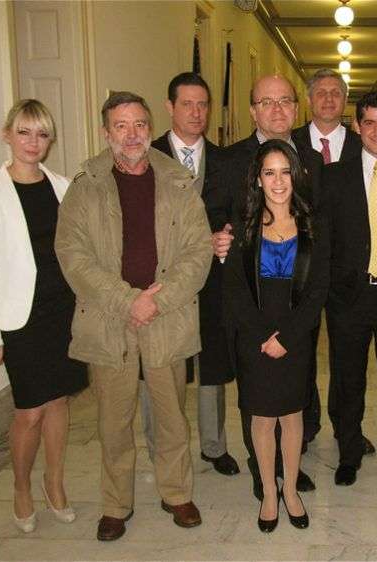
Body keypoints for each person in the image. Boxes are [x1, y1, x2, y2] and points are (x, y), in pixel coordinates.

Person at [55, 91, 212, 541]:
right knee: (113, 420)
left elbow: (198, 252)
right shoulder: (86, 186)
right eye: (121, 126)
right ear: (106, 133)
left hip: (166, 316)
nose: (131, 134)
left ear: (151, 128)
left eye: (139, 124)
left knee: (171, 416)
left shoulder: (178, 180)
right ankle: (115, 504)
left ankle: (177, 493)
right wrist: (128, 301)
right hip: (110, 319)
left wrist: (157, 301)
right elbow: (72, 254)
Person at [0, 99, 88, 534]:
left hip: (62, 311)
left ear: (49, 140)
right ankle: (21, 488)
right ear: (7, 135)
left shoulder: (62, 185)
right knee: (29, 411)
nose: (33, 142)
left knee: (58, 401)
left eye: (41, 134)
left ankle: (54, 484)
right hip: (20, 318)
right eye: (24, 132)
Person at [208, 74, 323, 500]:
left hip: (297, 298)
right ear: (253, 109)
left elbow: (321, 226)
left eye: (285, 101)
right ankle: (263, 476)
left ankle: (292, 469)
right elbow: (215, 213)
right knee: (256, 398)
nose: (276, 110)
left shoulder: (314, 156)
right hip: (250, 300)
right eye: (266, 102)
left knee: (297, 391)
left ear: (297, 107)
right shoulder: (230, 159)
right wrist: (215, 236)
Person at [223, 140, 329, 532]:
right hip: (254, 336)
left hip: (296, 336)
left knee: (292, 413)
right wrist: (262, 335)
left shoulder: (314, 224)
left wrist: (288, 336)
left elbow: (318, 288)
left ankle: (291, 491)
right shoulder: (244, 223)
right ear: (258, 178)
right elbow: (233, 288)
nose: (278, 181)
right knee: (263, 418)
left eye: (285, 171)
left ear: (296, 175)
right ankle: (269, 490)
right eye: (270, 172)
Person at [147, 71, 239, 476]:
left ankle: (214, 445)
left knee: (211, 363)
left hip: (213, 282)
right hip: (161, 281)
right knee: (160, 364)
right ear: (170, 107)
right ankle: (160, 445)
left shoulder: (226, 160)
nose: (197, 112)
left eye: (203, 104)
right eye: (187, 104)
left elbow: (237, 213)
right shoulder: (146, 158)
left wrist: (227, 235)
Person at [325, 90, 377, 487]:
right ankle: (348, 451)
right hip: (349, 296)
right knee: (348, 380)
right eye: (370, 122)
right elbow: (323, 240)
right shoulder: (333, 176)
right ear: (356, 126)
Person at [291, 68, 371, 454]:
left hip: (348, 271)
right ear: (309, 100)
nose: (327, 99)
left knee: (346, 357)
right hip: (300, 267)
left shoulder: (364, 146)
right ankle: (304, 426)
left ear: (345, 100)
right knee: (301, 351)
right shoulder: (288, 145)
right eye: (320, 93)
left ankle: (347, 429)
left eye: (335, 93)